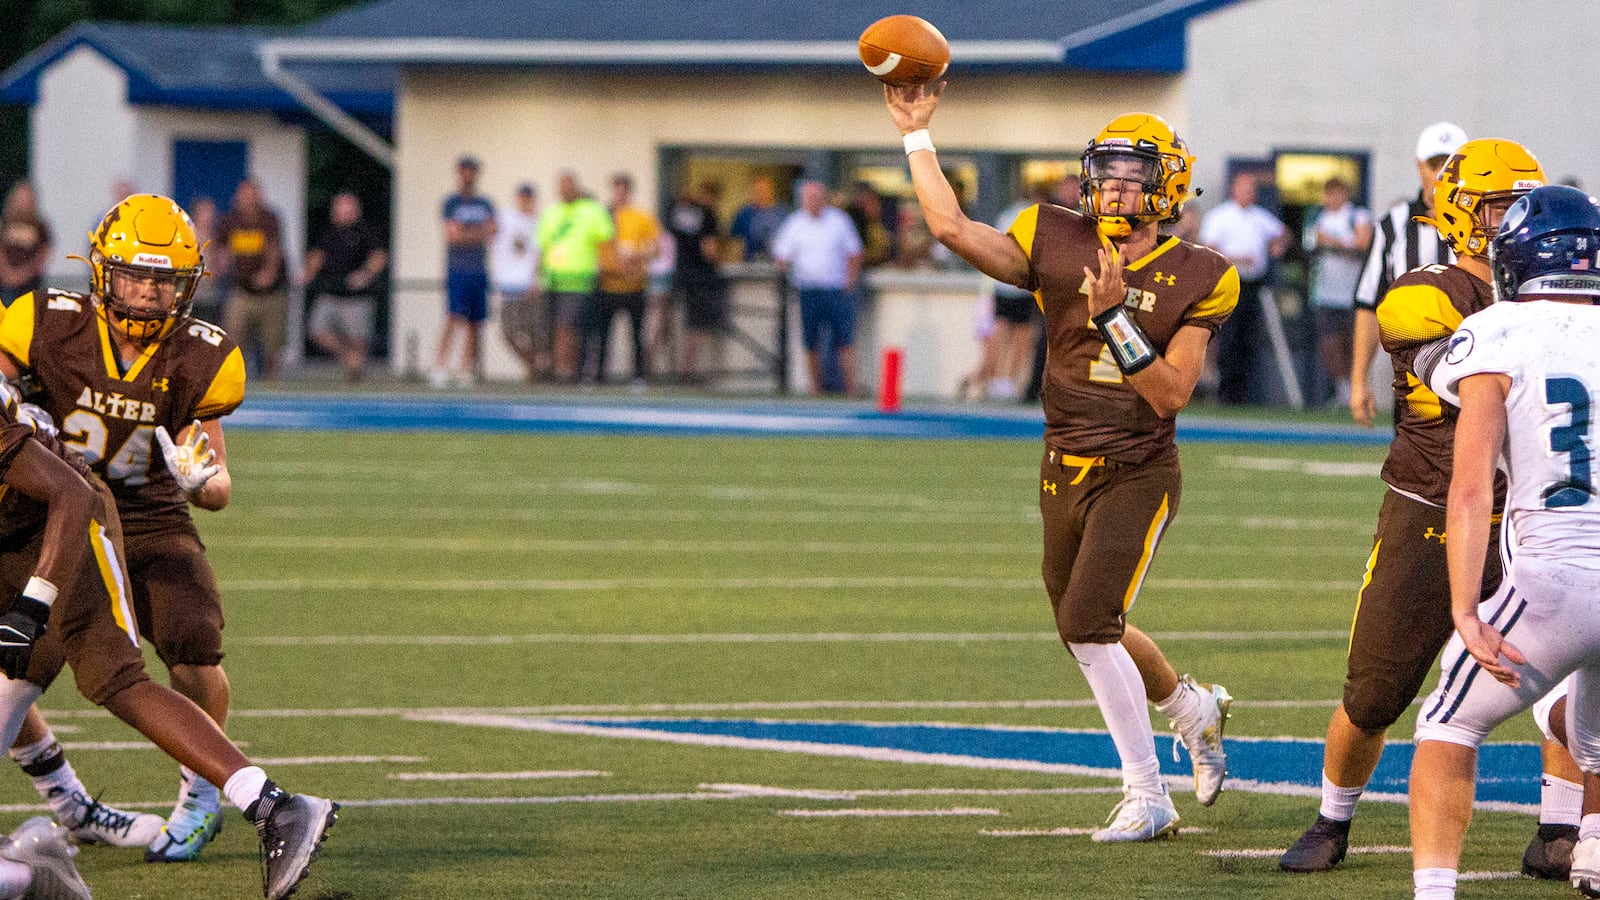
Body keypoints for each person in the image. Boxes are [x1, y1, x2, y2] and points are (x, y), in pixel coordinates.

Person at [885, 87, 1236, 841]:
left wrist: (1114, 319)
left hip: (1137, 467)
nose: (1113, 186)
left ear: (1168, 184)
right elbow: (949, 227)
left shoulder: (1203, 272)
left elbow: (1171, 393)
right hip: (1061, 461)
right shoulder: (1057, 235)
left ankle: (1148, 795)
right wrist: (918, 136)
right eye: (1104, 171)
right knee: (1088, 627)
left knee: (1088, 621)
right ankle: (1188, 707)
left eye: (1131, 174)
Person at [0, 195, 335, 897]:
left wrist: (200, 478)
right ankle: (71, 807)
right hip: (36, 508)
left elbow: (214, 488)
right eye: (134, 276)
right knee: (27, 659)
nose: (148, 292)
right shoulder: (44, 324)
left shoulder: (199, 357)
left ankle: (206, 794)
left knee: (183, 637)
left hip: (140, 512)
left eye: (162, 281)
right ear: (101, 271)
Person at [1276, 140, 1554, 874]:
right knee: (1375, 692)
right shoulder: (1425, 293)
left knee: (1572, 677)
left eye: (1521, 206)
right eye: (1496, 206)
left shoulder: (1553, 296)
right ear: (1462, 213)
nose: (1511, 222)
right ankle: (1333, 817)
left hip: (1534, 514)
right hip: (1434, 508)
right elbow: (1469, 402)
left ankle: (1561, 829)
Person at [1405, 184, 1600, 900]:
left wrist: (1465, 610)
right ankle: (1595, 853)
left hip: (1553, 578)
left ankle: (1434, 894)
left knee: (1446, 726)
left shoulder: (1498, 330)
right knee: (1594, 732)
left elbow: (1469, 487)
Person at [1349, 122, 1466, 426]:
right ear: (1419, 166)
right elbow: (1369, 305)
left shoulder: (1484, 225)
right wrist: (1359, 380)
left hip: (1473, 371)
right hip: (1413, 381)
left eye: (1450, 165)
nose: (1441, 174)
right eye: (1434, 164)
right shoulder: (1392, 226)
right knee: (1415, 468)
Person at [1199, 171, 1288, 404]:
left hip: (1253, 285)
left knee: (1248, 339)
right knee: (1227, 337)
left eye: (1252, 189)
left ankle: (1244, 393)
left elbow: (1282, 234)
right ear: (1234, 189)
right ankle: (1225, 392)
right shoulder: (1220, 217)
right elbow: (1208, 250)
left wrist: (1277, 247)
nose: (1249, 193)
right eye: (1244, 188)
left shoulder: (1260, 217)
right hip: (1228, 284)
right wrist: (1236, 259)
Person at [772, 181, 864, 397]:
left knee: (845, 340)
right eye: (808, 198)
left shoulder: (839, 220)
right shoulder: (795, 223)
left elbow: (854, 252)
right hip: (808, 289)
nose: (812, 202)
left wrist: (849, 281)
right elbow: (781, 254)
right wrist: (785, 268)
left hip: (835, 288)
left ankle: (851, 389)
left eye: (815, 198)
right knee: (810, 341)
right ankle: (816, 389)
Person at [965, 186, 1048, 400]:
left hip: (1000, 284)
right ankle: (1004, 380)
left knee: (1000, 334)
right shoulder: (1031, 218)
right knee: (1021, 336)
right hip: (1019, 284)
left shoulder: (1006, 215)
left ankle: (994, 380)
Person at [536, 171, 613, 384]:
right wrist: (536, 276)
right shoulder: (551, 213)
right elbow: (542, 248)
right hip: (553, 280)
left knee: (568, 327)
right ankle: (561, 370)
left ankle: (568, 372)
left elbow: (606, 242)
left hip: (580, 282)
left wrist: (609, 269)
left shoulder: (591, 211)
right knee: (553, 329)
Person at [303, 191, 387, 383]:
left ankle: (355, 378)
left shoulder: (367, 231)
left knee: (359, 340)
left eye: (349, 208)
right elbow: (316, 256)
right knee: (317, 330)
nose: (345, 212)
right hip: (330, 293)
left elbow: (379, 256)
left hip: (358, 297)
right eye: (341, 208)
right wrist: (307, 273)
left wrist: (365, 274)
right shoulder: (326, 233)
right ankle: (348, 357)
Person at [1304, 177, 1373, 407]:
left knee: (1352, 341)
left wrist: (1332, 242)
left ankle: (1357, 385)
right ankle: (1342, 387)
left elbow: (1363, 245)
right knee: (1329, 342)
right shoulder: (1318, 218)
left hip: (1352, 292)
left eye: (1334, 193)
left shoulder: (1357, 216)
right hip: (1326, 291)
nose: (1330, 199)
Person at [592, 174, 659, 386]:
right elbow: (597, 247)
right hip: (608, 285)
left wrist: (638, 258)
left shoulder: (642, 217)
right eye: (616, 190)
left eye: (624, 190)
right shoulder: (605, 216)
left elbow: (655, 247)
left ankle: (638, 376)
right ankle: (599, 376)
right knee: (603, 335)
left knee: (636, 334)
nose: (620, 195)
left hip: (635, 286)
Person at [435, 155, 496, 388]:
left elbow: (492, 231)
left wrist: (469, 234)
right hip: (457, 269)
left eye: (472, 171)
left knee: (474, 322)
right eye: (464, 170)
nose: (468, 175)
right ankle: (440, 366)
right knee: (452, 316)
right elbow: (453, 236)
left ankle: (466, 370)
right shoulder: (451, 203)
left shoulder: (484, 203)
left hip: (479, 269)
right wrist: (476, 234)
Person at [217, 180, 288, 380]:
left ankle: (271, 379)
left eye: (253, 194)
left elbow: (274, 248)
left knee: (272, 342)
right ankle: (237, 376)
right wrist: (219, 267)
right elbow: (222, 249)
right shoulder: (228, 220)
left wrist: (269, 272)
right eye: (245, 194)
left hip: (271, 291)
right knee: (234, 333)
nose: (249, 199)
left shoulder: (269, 218)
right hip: (241, 288)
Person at [667, 182, 726, 384]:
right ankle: (689, 371)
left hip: (680, 273)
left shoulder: (679, 213)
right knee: (696, 326)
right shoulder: (708, 214)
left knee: (675, 324)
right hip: (700, 276)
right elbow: (709, 249)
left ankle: (671, 370)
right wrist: (721, 258)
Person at [492, 184, 544, 382]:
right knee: (508, 332)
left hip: (528, 286)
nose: (525, 200)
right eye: (522, 196)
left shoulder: (537, 222)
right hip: (508, 286)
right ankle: (533, 364)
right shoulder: (505, 216)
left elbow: (539, 254)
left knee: (534, 332)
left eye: (528, 197)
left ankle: (536, 370)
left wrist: (535, 280)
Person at [0, 184, 50, 308]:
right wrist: (8, 273)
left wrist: (25, 272)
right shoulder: (5, 222)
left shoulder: (40, 224)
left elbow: (44, 252)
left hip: (31, 281)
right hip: (6, 281)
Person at [729, 175, 789, 261]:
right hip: (750, 264)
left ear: (771, 191)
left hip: (778, 264)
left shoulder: (783, 213)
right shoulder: (744, 214)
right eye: (756, 191)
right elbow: (734, 241)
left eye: (763, 190)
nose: (760, 194)